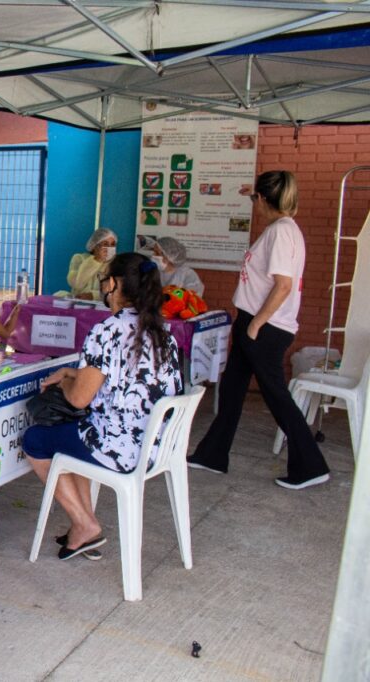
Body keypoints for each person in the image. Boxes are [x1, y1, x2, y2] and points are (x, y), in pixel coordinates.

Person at [23, 253, 183, 559]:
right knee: (75, 433)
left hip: (121, 449)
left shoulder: (107, 331)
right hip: (158, 447)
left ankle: (85, 524)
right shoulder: (164, 334)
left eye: (103, 281)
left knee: (35, 440)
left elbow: (78, 399)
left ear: (114, 284)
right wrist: (75, 373)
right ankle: (84, 525)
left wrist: (66, 382)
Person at [188, 171, 330, 490]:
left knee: (276, 395)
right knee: (233, 389)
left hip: (265, 327)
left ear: (264, 200)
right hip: (254, 322)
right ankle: (212, 455)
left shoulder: (281, 232)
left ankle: (310, 465)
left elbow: (283, 286)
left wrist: (255, 324)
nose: (254, 205)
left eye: (255, 199)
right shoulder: (282, 229)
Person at [65, 228, 117, 300]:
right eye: (105, 244)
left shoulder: (116, 263)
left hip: (103, 307)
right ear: (94, 246)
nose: (109, 248)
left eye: (113, 244)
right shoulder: (79, 258)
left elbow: (117, 290)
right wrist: (97, 260)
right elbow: (77, 284)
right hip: (79, 304)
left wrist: (93, 295)